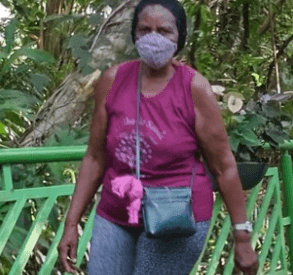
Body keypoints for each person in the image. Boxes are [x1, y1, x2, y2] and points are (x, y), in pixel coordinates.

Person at [57, 0, 258, 274]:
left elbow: (223, 165)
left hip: (174, 215)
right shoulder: (112, 80)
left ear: (179, 38)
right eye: (145, 30)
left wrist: (242, 236)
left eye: (164, 31)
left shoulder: (194, 88)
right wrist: (71, 224)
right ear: (134, 34)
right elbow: (95, 155)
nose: (153, 38)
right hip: (117, 213)